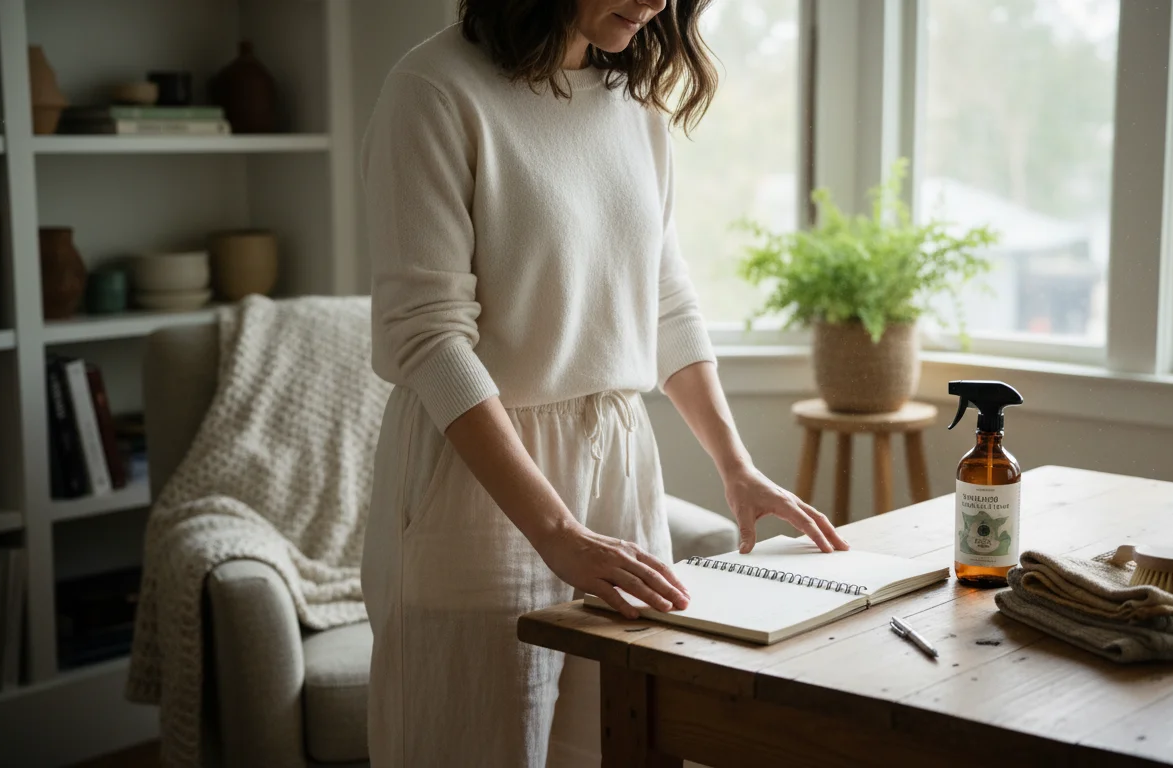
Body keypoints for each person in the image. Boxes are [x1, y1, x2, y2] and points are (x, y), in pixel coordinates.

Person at [359, 0, 850, 764]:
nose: (657, 1)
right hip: (481, 482)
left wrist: (737, 467)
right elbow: (429, 338)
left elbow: (664, 300)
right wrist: (556, 532)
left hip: (620, 465)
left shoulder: (636, 103)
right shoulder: (434, 89)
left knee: (618, 742)